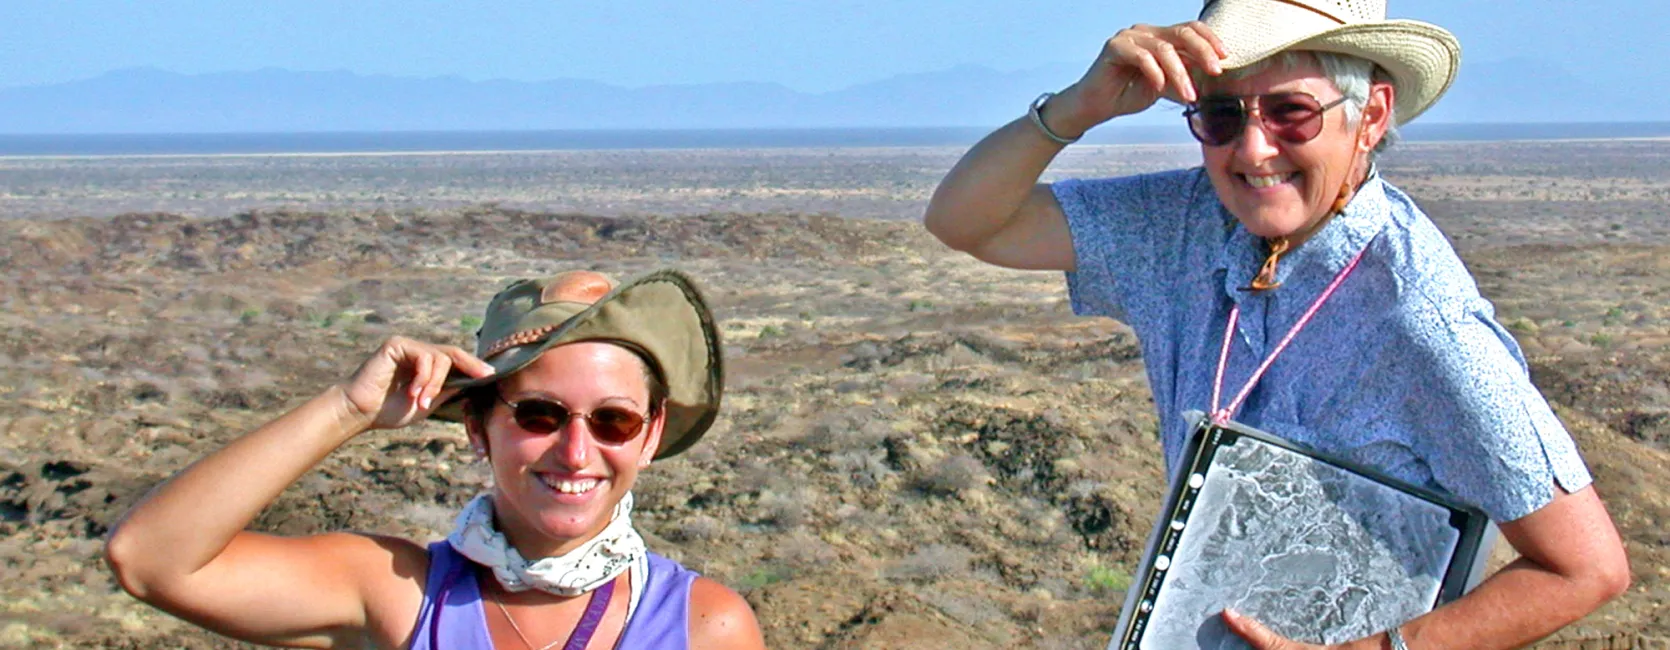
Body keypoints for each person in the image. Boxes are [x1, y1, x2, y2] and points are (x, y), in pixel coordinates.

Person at [923, 1, 1628, 648]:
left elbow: (1585, 569)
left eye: (1292, 113)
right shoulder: (1188, 225)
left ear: (1372, 116)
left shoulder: (1419, 319)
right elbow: (967, 222)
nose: (1253, 151)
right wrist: (1076, 110)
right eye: (1222, 116)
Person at [105, 269, 766, 649]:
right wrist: (348, 410)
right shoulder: (400, 593)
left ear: (649, 436)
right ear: (478, 427)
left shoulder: (703, 626)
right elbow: (150, 561)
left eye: (613, 420)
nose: (575, 450)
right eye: (539, 415)